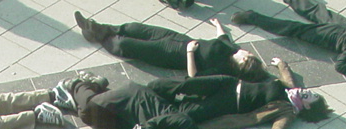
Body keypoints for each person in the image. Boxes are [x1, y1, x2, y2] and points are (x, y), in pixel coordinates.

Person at [58, 62, 328, 129]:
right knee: (176, 85)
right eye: (309, 92)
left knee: (183, 111)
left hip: (224, 104)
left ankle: (91, 90)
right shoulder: (289, 89)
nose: (305, 92)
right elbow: (288, 77)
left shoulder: (287, 111)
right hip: (226, 83)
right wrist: (281, 64)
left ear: (305, 108)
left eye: (308, 97)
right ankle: (150, 95)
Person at [74, 14, 268, 79]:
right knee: (134, 28)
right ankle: (96, 28)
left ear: (242, 62)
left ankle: (96, 33)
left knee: (126, 44)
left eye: (248, 55)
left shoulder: (223, 69)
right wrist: (218, 24)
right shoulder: (231, 48)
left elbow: (194, 76)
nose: (247, 51)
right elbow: (223, 37)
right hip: (176, 38)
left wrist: (190, 53)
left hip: (173, 54)